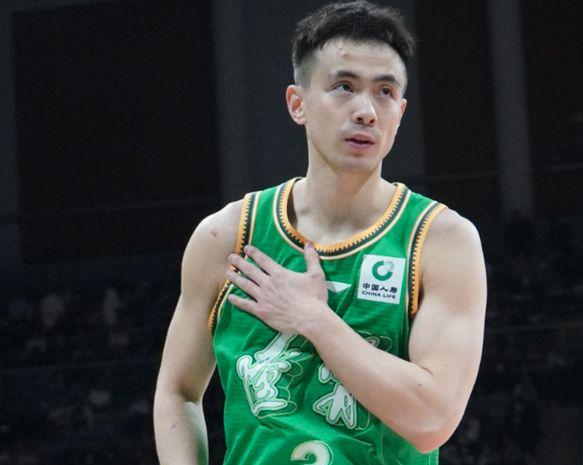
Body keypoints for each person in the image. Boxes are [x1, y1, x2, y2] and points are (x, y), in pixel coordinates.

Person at [153, 2, 487, 464]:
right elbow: (177, 390)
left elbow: (432, 422)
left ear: (400, 112)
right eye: (344, 87)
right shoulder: (227, 237)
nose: (366, 111)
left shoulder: (441, 240)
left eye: (385, 92)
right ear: (298, 104)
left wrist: (313, 319)